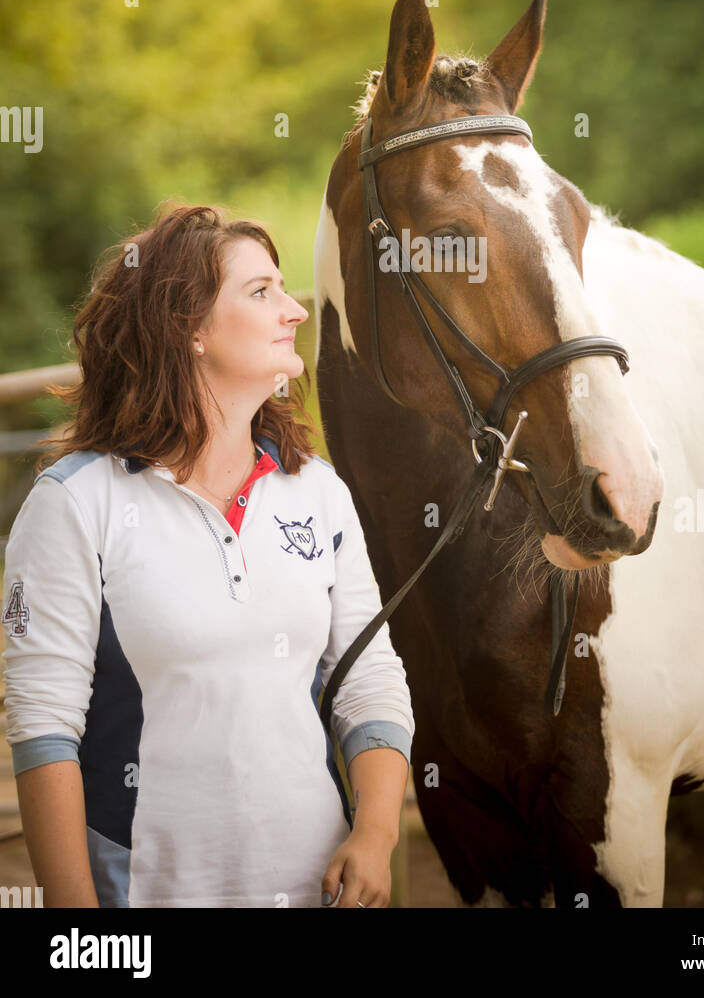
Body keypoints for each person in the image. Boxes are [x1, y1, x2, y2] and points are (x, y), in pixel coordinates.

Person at [1, 202, 414, 908]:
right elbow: (44, 729)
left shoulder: (317, 490)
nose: (295, 311)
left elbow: (368, 680)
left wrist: (374, 836)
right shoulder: (74, 503)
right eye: (261, 292)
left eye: (284, 287)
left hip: (317, 889)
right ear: (187, 327)